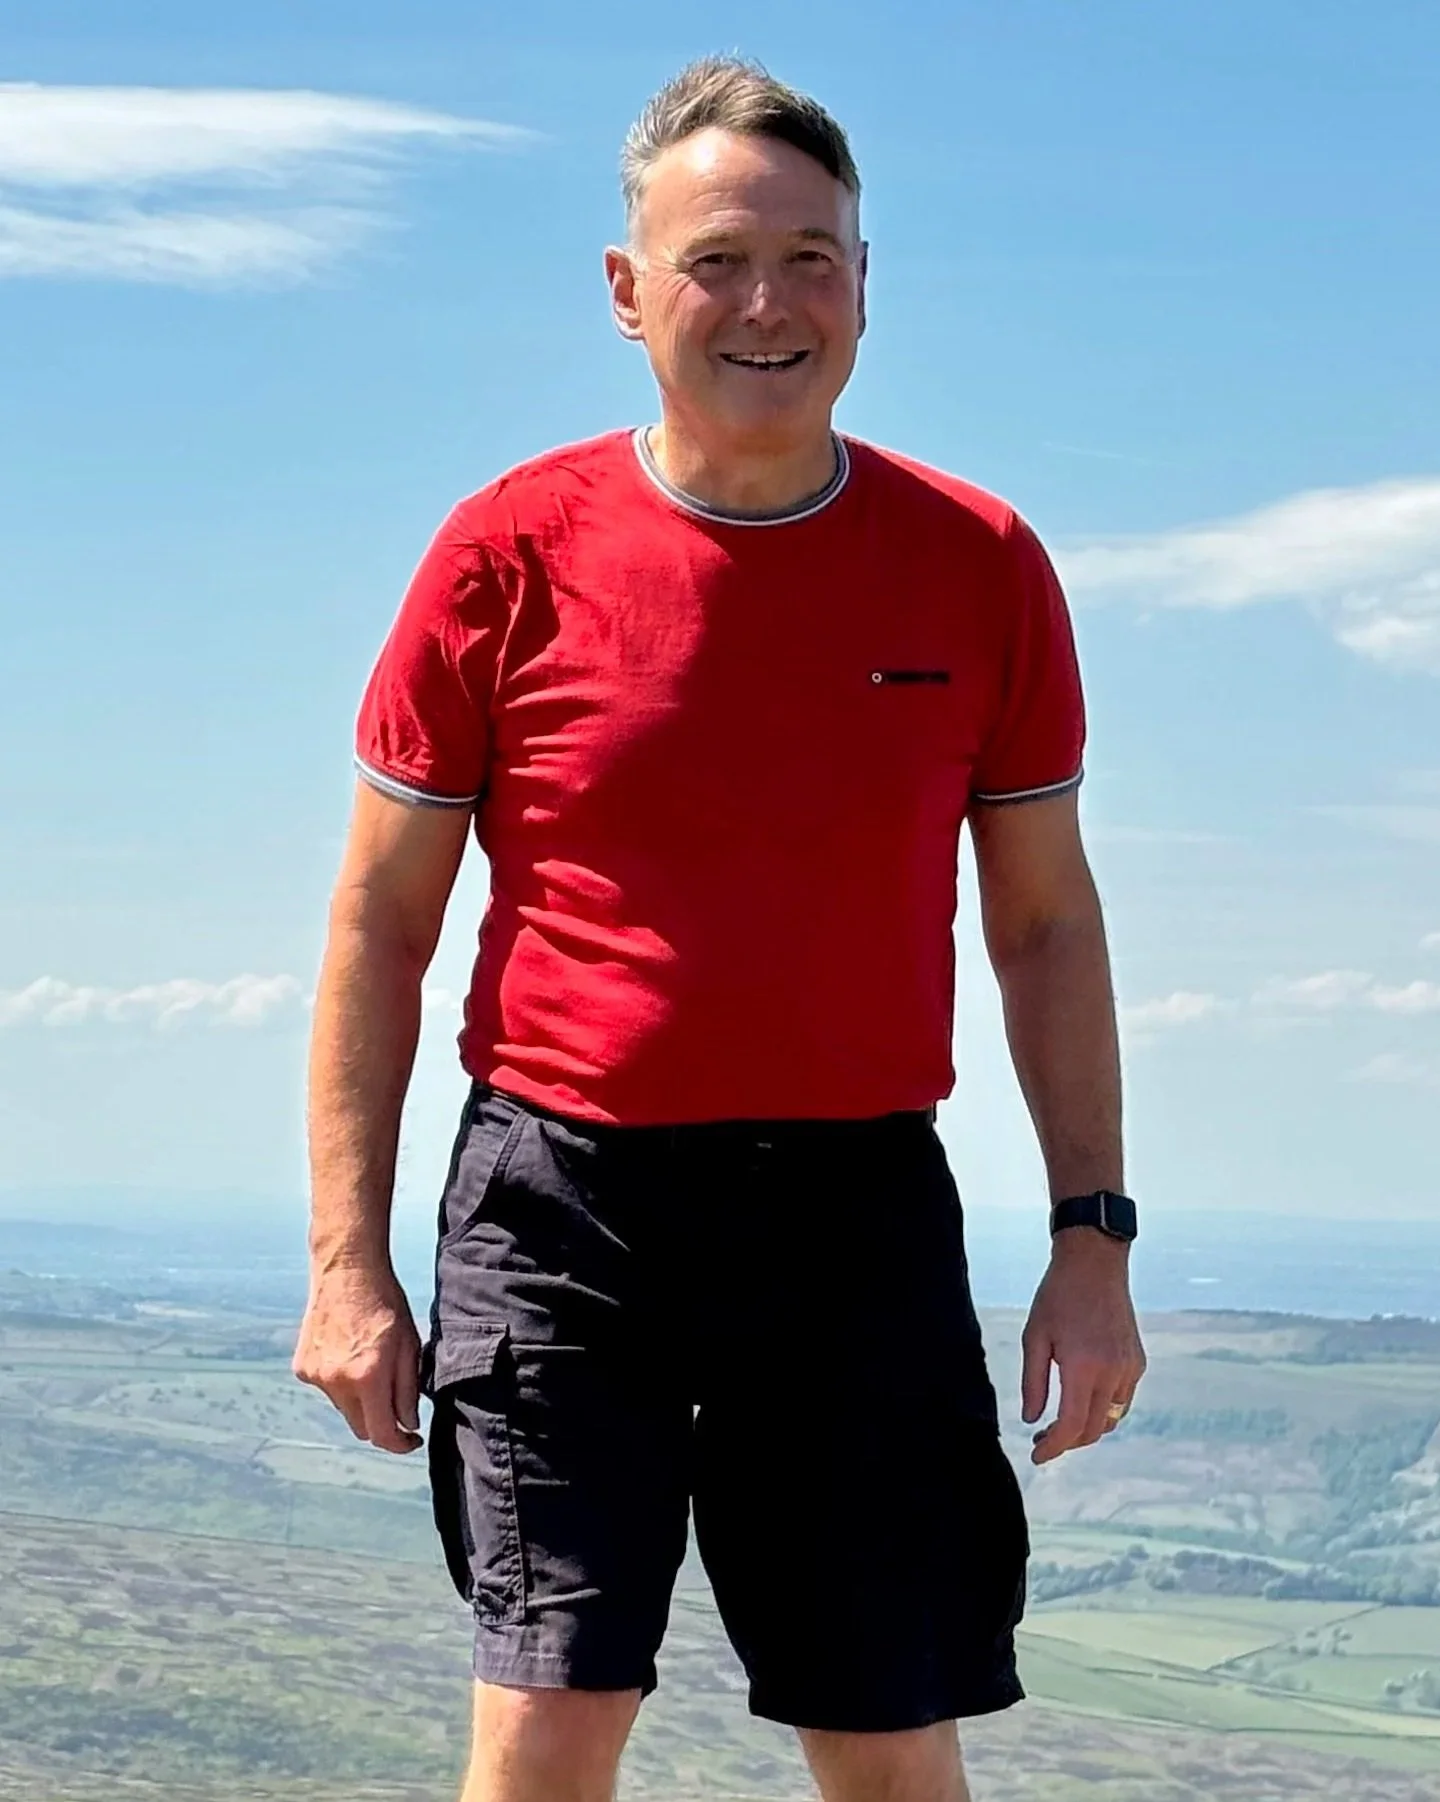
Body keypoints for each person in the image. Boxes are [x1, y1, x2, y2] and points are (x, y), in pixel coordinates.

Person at [294, 54, 1146, 1802]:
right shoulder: (502, 557)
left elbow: (1045, 925)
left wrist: (1092, 1238)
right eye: (716, 259)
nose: (767, 303)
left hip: (853, 1218)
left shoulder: (978, 563)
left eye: (811, 259)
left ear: (863, 283)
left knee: (888, 1736)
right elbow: (382, 919)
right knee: (544, 1728)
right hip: (560, 1203)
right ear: (628, 291)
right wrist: (345, 1262)